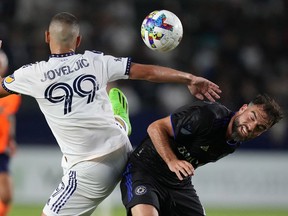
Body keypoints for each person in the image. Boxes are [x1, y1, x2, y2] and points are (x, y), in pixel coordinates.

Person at [0, 12, 222, 216]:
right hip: (123, 150)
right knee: (108, 118)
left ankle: (119, 120)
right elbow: (147, 73)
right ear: (78, 41)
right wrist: (189, 78)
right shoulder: (95, 60)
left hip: (90, 168)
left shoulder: (31, 74)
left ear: (47, 36)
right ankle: (120, 121)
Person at [119, 93, 283, 216]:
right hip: (144, 170)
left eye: (260, 128)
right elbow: (155, 128)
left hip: (177, 183)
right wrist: (172, 160)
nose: (252, 127)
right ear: (243, 108)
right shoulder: (209, 116)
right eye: (252, 117)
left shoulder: (234, 141)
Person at [0, 49, 21, 216]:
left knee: (6, 196)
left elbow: (10, 117)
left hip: (2, 149)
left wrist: (11, 139)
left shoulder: (12, 93)